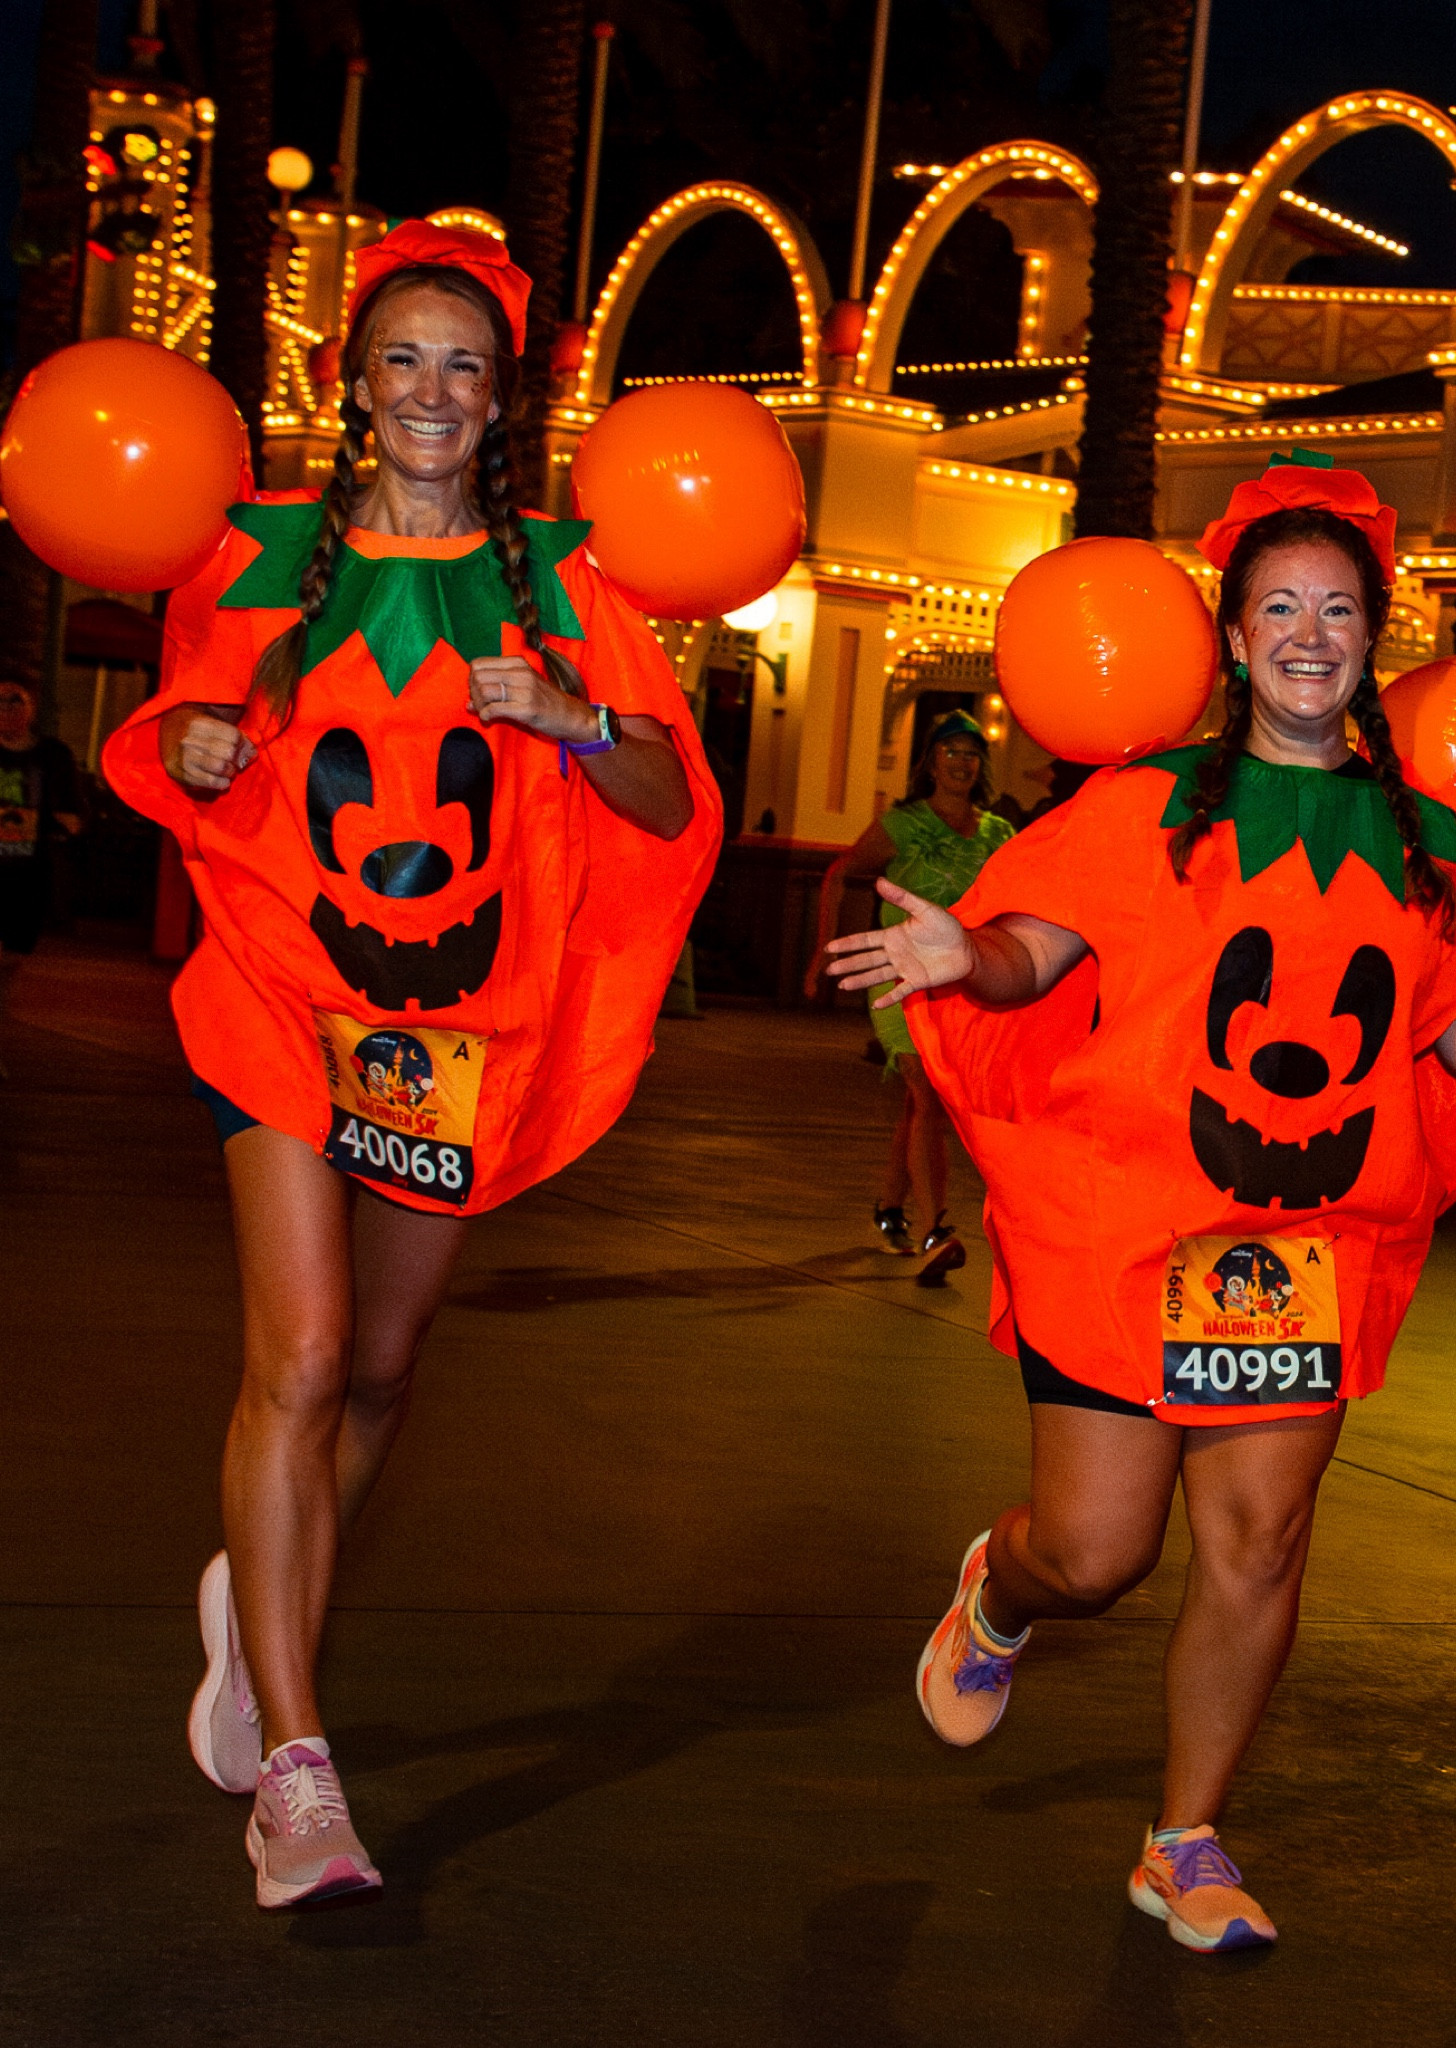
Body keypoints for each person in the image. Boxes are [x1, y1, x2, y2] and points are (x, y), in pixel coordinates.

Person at [826, 454, 1456, 1951]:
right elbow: (1031, 959)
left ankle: (1185, 1837)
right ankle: (1003, 1585)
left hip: (1298, 1252)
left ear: (1371, 637)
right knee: (1100, 1553)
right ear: (1235, 640)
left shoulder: (1436, 856)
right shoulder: (1141, 810)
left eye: (1337, 610)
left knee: (1258, 1541)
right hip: (1125, 1232)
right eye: (1277, 609)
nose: (1309, 633)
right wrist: (960, 961)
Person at [99, 221, 722, 1910]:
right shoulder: (254, 558)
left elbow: (670, 803)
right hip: (280, 996)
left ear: (497, 397)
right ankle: (298, 1767)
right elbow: (173, 738)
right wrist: (201, 740)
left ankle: (262, 1603)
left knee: (379, 1365)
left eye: (463, 363)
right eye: (403, 359)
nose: (431, 389)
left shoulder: (566, 582)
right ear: (351, 385)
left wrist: (576, 724)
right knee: (297, 1356)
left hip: (455, 1026)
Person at [806, 710, 1013, 1283]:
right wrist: (823, 951)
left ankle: (890, 1206)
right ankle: (936, 1228)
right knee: (928, 1092)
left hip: (964, 981)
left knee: (923, 1101)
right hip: (900, 979)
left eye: (971, 753)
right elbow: (840, 871)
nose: (962, 763)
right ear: (930, 763)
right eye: (950, 752)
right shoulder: (902, 826)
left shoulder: (999, 834)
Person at [0, 678, 82, 1071]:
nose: (8, 709)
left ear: (32, 706)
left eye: (16, 700)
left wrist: (60, 823)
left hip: (28, 872)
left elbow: (73, 814)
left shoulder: (52, 756)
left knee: (12, 960)